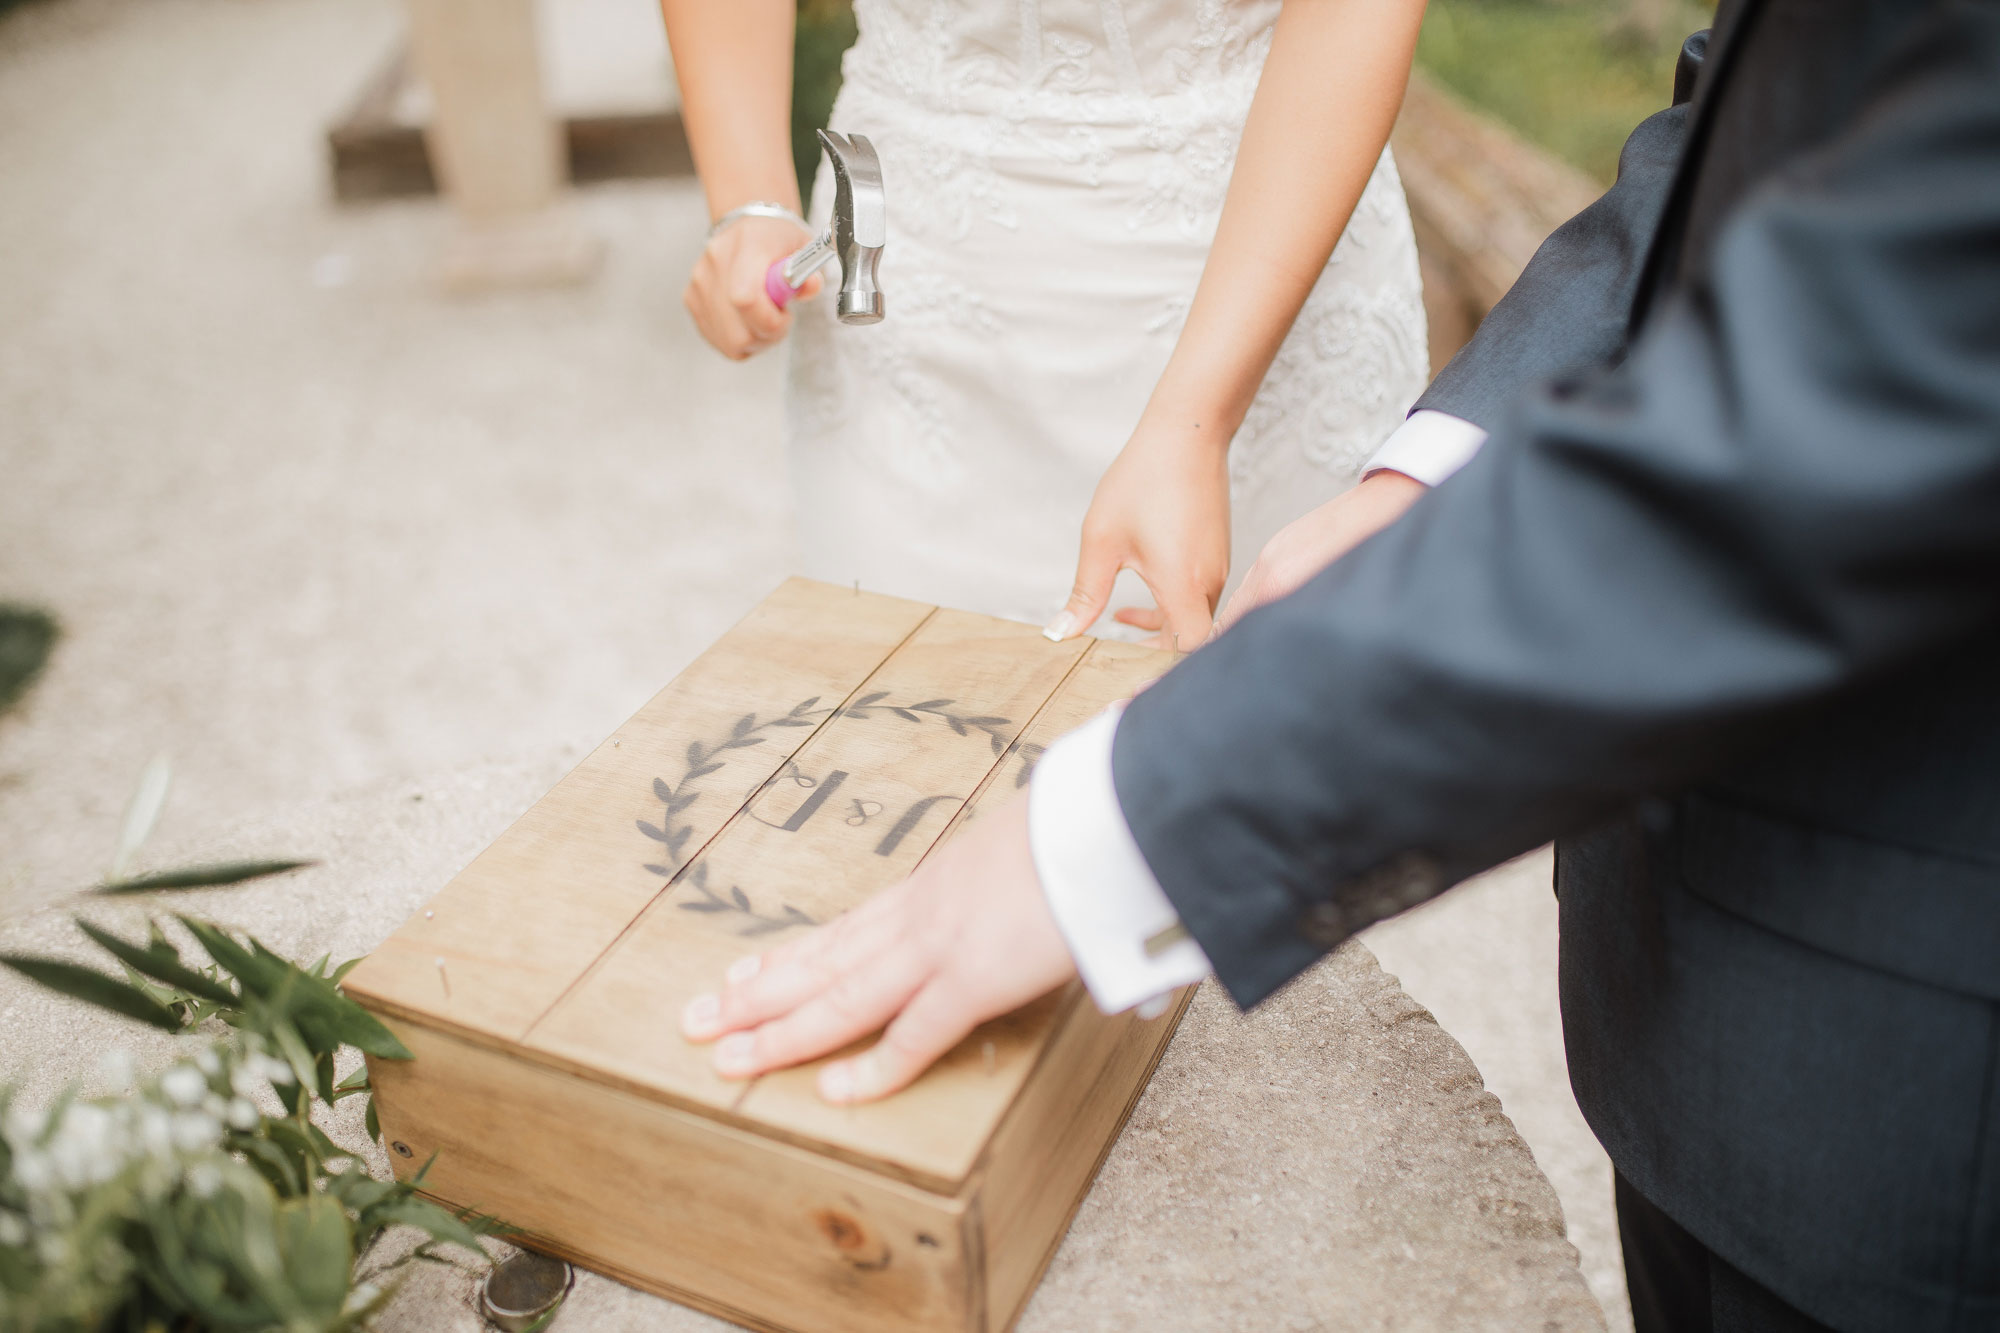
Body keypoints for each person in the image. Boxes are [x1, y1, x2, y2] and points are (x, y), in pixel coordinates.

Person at [678, 1, 2000, 1329]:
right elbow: (1732, 135)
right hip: (1703, 1017)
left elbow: (1854, 384)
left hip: (1911, 1113)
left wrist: (1118, 834)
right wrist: (1428, 471)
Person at [659, 0, 1432, 644]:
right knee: (907, 764)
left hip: (1261, 281)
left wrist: (1196, 422)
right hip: (912, 310)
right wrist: (750, 199)